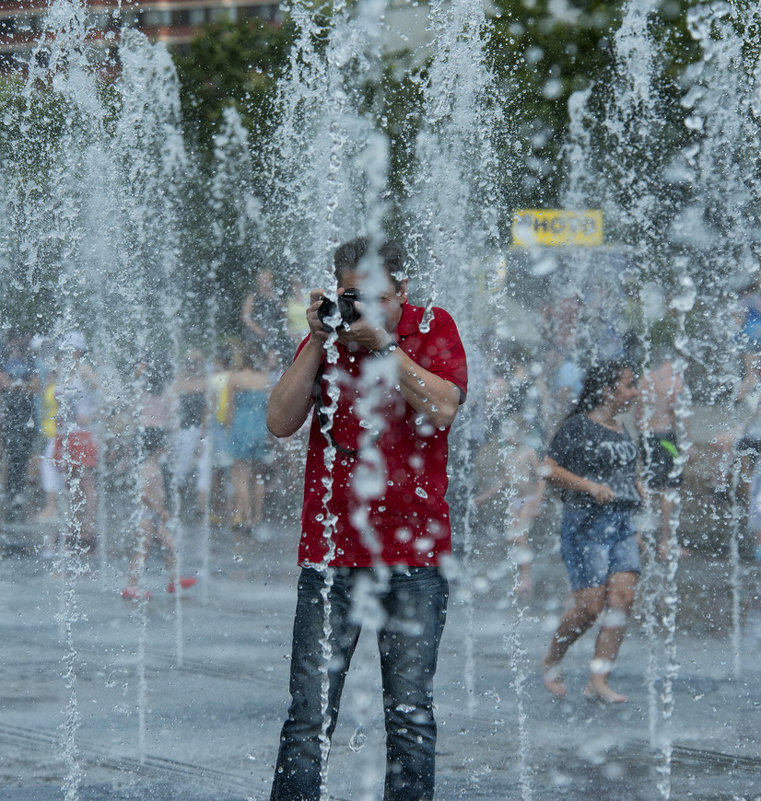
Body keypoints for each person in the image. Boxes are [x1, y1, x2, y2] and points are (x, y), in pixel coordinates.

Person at [267, 237, 467, 801]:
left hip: (415, 554)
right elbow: (280, 422)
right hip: (331, 553)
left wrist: (381, 344)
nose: (364, 307)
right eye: (353, 295)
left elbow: (445, 406)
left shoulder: (433, 327)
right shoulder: (329, 335)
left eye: (378, 296)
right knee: (308, 717)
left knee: (410, 716)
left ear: (402, 290)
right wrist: (316, 341)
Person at [541, 360, 641, 704]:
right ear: (607, 390)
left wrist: (640, 514)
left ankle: (599, 680)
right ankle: (552, 659)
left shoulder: (620, 427)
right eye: (628, 385)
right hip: (587, 524)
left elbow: (628, 474)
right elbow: (548, 468)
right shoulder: (577, 427)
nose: (634, 392)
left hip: (624, 524)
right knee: (590, 608)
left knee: (622, 601)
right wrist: (588, 486)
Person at [122, 428, 196, 600]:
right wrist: (160, 510)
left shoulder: (153, 466)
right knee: (142, 552)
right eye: (165, 446)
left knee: (170, 545)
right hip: (146, 517)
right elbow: (144, 494)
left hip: (152, 517)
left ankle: (174, 579)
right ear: (158, 448)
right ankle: (131, 586)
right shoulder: (148, 468)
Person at [634, 350, 687, 560]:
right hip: (666, 439)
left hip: (646, 436)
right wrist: (688, 443)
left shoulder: (645, 379)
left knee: (646, 484)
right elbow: (679, 413)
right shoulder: (675, 380)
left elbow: (637, 411)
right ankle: (665, 543)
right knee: (668, 488)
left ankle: (638, 535)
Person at [226, 343, 270, 531]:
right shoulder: (264, 379)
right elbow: (269, 407)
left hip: (241, 427)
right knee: (258, 475)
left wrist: (229, 429)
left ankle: (245, 515)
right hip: (259, 427)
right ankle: (258, 516)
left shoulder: (235, 378)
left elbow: (230, 408)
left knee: (240, 475)